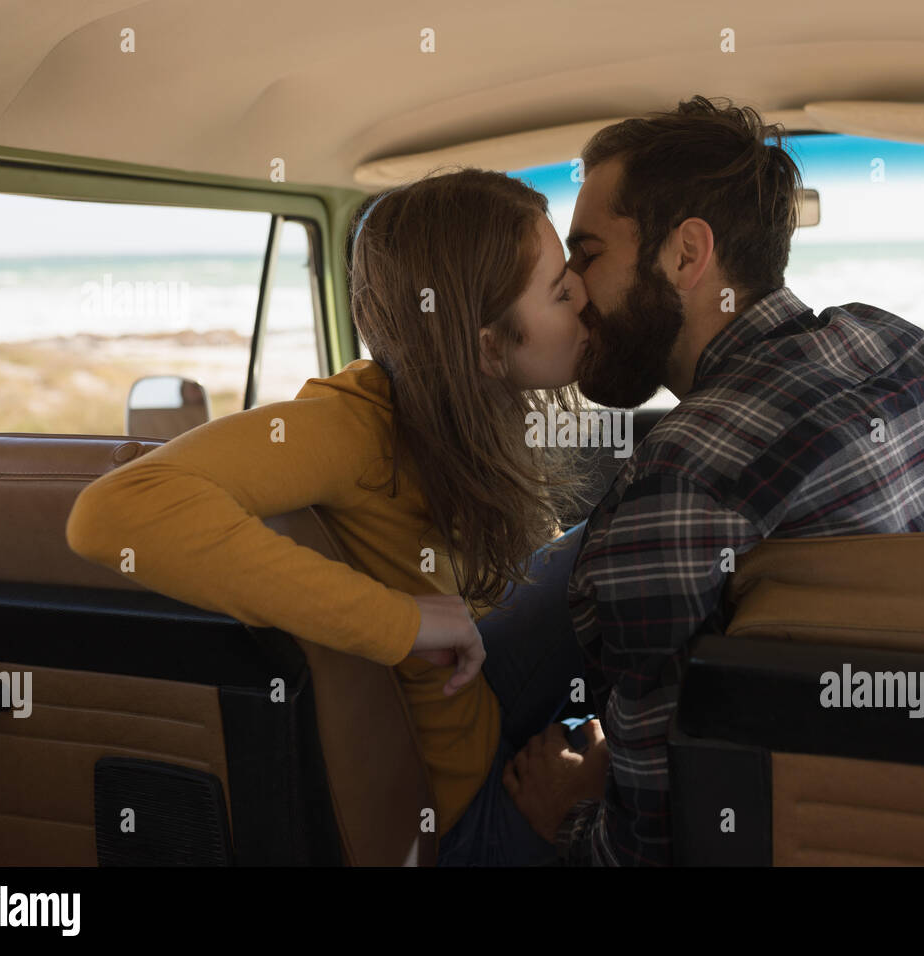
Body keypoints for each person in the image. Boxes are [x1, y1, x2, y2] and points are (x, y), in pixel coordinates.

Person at [501, 95, 924, 865]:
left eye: (587, 255)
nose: (575, 291)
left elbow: (649, 852)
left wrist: (569, 811)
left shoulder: (677, 480)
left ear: (687, 255)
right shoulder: (915, 353)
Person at [66, 168, 603, 865]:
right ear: (486, 346)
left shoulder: (463, 413)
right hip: (460, 822)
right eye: (562, 290)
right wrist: (402, 621)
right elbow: (115, 511)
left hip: (480, 704)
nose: (585, 296)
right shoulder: (354, 425)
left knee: (619, 543)